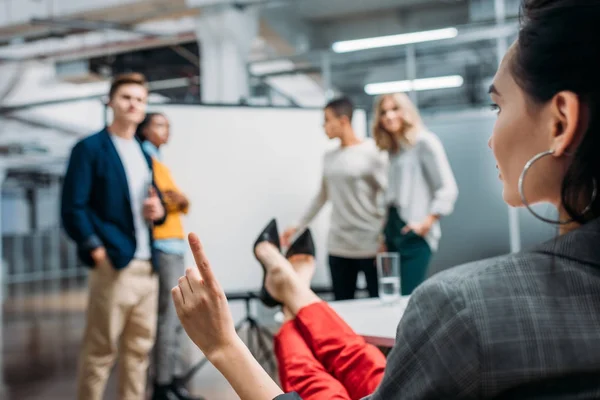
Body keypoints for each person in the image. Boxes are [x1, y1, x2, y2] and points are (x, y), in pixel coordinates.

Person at [170, 0, 600, 399]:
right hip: (363, 238)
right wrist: (303, 227)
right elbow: (325, 198)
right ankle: (295, 294)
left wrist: (224, 346)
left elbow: (433, 191)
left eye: (496, 106)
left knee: (326, 368)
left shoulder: (460, 308)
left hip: (397, 235)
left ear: (560, 121)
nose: (490, 140)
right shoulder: (366, 156)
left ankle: (290, 300)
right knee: (370, 364)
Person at [61, 73, 166, 400]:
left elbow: (154, 202)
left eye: (139, 99)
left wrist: (157, 211)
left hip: (147, 265)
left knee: (139, 352)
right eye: (126, 97)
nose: (133, 104)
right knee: (100, 351)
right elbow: (73, 206)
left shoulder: (144, 152)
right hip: (113, 264)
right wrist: (96, 250)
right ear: (111, 102)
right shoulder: (90, 148)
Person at [281, 96, 387, 300]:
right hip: (339, 245)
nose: (324, 126)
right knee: (343, 305)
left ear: (343, 121)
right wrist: (298, 226)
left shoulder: (373, 152)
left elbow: (388, 197)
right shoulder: (329, 157)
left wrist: (385, 237)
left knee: (377, 303)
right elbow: (321, 196)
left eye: (327, 120)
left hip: (371, 244)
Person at [135, 113, 203, 400]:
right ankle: (163, 386)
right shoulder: (143, 160)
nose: (167, 131)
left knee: (175, 317)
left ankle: (173, 381)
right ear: (145, 129)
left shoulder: (158, 161)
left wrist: (180, 200)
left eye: (168, 126)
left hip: (174, 244)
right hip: (163, 245)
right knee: (167, 317)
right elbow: (159, 200)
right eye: (160, 125)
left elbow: (177, 200)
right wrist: (174, 200)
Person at [373, 93, 458, 294]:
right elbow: (391, 198)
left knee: (407, 297)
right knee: (389, 296)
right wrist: (383, 238)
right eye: (383, 112)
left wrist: (426, 223)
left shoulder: (424, 142)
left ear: (406, 112)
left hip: (414, 232)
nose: (389, 116)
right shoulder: (392, 152)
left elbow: (448, 188)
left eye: (395, 109)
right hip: (391, 232)